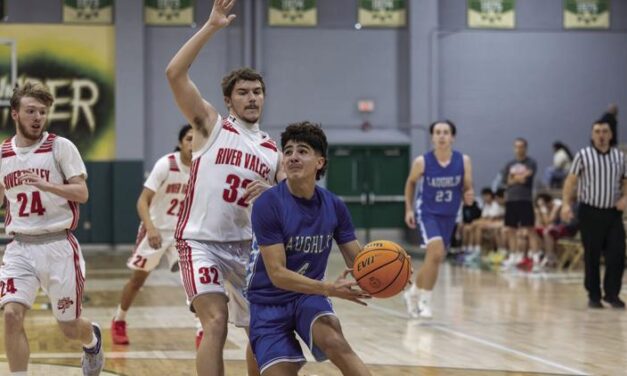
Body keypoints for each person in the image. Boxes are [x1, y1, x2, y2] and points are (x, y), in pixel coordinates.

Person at [165, 0, 283, 374]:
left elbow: (289, 205)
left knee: (259, 331)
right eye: (244, 92)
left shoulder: (272, 149)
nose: (253, 97)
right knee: (214, 321)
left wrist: (274, 194)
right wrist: (211, 26)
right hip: (199, 241)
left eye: (258, 91)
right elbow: (174, 73)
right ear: (230, 100)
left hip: (247, 248)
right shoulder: (212, 126)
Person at [246, 122, 371, 376]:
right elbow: (278, 274)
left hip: (307, 297)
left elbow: (358, 260)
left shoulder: (334, 205)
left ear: (320, 162)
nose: (292, 157)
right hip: (269, 302)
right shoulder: (268, 204)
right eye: (288, 151)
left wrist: (388, 267)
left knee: (335, 340)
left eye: (302, 151)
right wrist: (328, 288)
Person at [0, 82, 104, 375]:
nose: (37, 117)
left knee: (70, 328)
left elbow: (82, 193)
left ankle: (92, 340)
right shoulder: (3, 154)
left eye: (42, 112)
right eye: (30, 111)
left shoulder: (60, 147)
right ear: (15, 114)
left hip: (58, 245)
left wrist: (47, 185)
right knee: (11, 315)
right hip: (19, 246)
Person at [111, 125, 193, 345]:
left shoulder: (202, 168)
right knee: (138, 280)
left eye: (197, 140)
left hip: (182, 234)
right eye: (188, 139)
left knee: (195, 282)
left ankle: (202, 331)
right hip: (156, 229)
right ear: (180, 143)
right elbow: (142, 200)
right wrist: (151, 228)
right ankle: (119, 320)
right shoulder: (166, 164)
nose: (193, 144)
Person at [403, 120, 474, 319]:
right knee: (436, 252)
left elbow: (467, 185)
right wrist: (408, 209)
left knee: (434, 258)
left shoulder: (463, 160)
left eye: (445, 132)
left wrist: (469, 193)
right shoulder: (422, 162)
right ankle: (425, 301)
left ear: (452, 137)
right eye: (437, 132)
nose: (441, 136)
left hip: (450, 214)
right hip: (427, 213)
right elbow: (410, 184)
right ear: (432, 137)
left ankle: (413, 293)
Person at [562, 120, 626, 309]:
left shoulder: (620, 157)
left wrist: (625, 198)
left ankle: (612, 294)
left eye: (605, 131)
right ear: (592, 135)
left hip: (612, 213)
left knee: (617, 254)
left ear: (611, 135)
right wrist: (566, 204)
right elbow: (570, 182)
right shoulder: (583, 155)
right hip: (589, 211)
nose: (601, 135)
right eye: (597, 131)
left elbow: (626, 181)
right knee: (592, 254)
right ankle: (594, 295)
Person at [500, 138, 540, 271]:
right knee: (511, 229)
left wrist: (514, 178)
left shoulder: (531, 163)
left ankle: (535, 258)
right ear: (514, 148)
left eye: (521, 146)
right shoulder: (509, 164)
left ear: (526, 148)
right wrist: (516, 178)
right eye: (516, 147)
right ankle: (513, 256)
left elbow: (525, 178)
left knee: (530, 229)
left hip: (525, 199)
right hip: (511, 199)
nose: (519, 149)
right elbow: (506, 181)